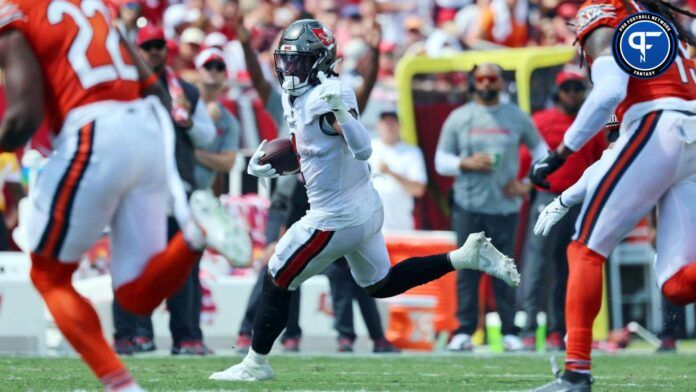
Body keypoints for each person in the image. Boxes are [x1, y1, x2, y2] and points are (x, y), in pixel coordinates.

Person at [209, 19, 520, 382]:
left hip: (335, 217)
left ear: (320, 61)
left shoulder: (332, 94)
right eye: (287, 60)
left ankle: (254, 364)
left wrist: (340, 113)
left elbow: (362, 149)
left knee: (277, 276)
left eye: (298, 61)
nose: (289, 69)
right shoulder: (296, 94)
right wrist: (277, 167)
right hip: (362, 207)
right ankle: (465, 256)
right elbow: (316, 152)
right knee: (380, 284)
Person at [0, 2, 244, 389]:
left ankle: (121, 385)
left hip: (94, 129)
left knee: (49, 275)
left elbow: (22, 116)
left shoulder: (15, 12)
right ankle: (195, 236)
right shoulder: (94, 6)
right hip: (146, 126)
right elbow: (152, 85)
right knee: (135, 296)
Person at [529, 0, 696, 389]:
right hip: (688, 132)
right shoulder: (660, 15)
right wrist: (565, 197)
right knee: (676, 284)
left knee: (584, 249)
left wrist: (559, 154)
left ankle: (576, 374)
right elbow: (615, 156)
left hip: (659, 123)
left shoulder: (604, 10)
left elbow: (608, 92)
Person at [111, 24, 221, 357]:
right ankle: (132, 334)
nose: (155, 51)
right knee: (134, 262)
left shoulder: (185, 90)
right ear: (138, 51)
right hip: (137, 185)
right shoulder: (124, 86)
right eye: (148, 46)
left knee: (184, 264)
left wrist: (187, 122)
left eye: (160, 45)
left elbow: (208, 136)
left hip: (178, 189)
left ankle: (186, 337)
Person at [434, 63, 547, 352]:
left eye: (492, 79)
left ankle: (509, 331)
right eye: (481, 79)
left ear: (500, 83)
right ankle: (464, 330)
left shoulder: (516, 116)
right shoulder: (460, 117)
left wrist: (526, 183)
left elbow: (542, 152)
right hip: (468, 203)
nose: (486, 83)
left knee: (504, 267)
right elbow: (440, 160)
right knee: (466, 269)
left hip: (505, 205)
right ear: (473, 83)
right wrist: (465, 163)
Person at [519, 71, 606, 351]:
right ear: (557, 92)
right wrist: (524, 184)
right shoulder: (541, 121)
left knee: (567, 266)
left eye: (577, 88)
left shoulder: (590, 124)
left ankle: (559, 329)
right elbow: (526, 157)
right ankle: (530, 329)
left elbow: (598, 161)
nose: (572, 93)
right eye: (566, 88)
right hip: (547, 197)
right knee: (537, 265)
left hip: (577, 202)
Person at [368, 109, 427, 231]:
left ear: (399, 126)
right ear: (378, 126)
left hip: (401, 226)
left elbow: (418, 189)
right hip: (371, 226)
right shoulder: (368, 149)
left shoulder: (412, 152)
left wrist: (391, 173)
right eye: (385, 123)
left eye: (392, 123)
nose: (388, 127)